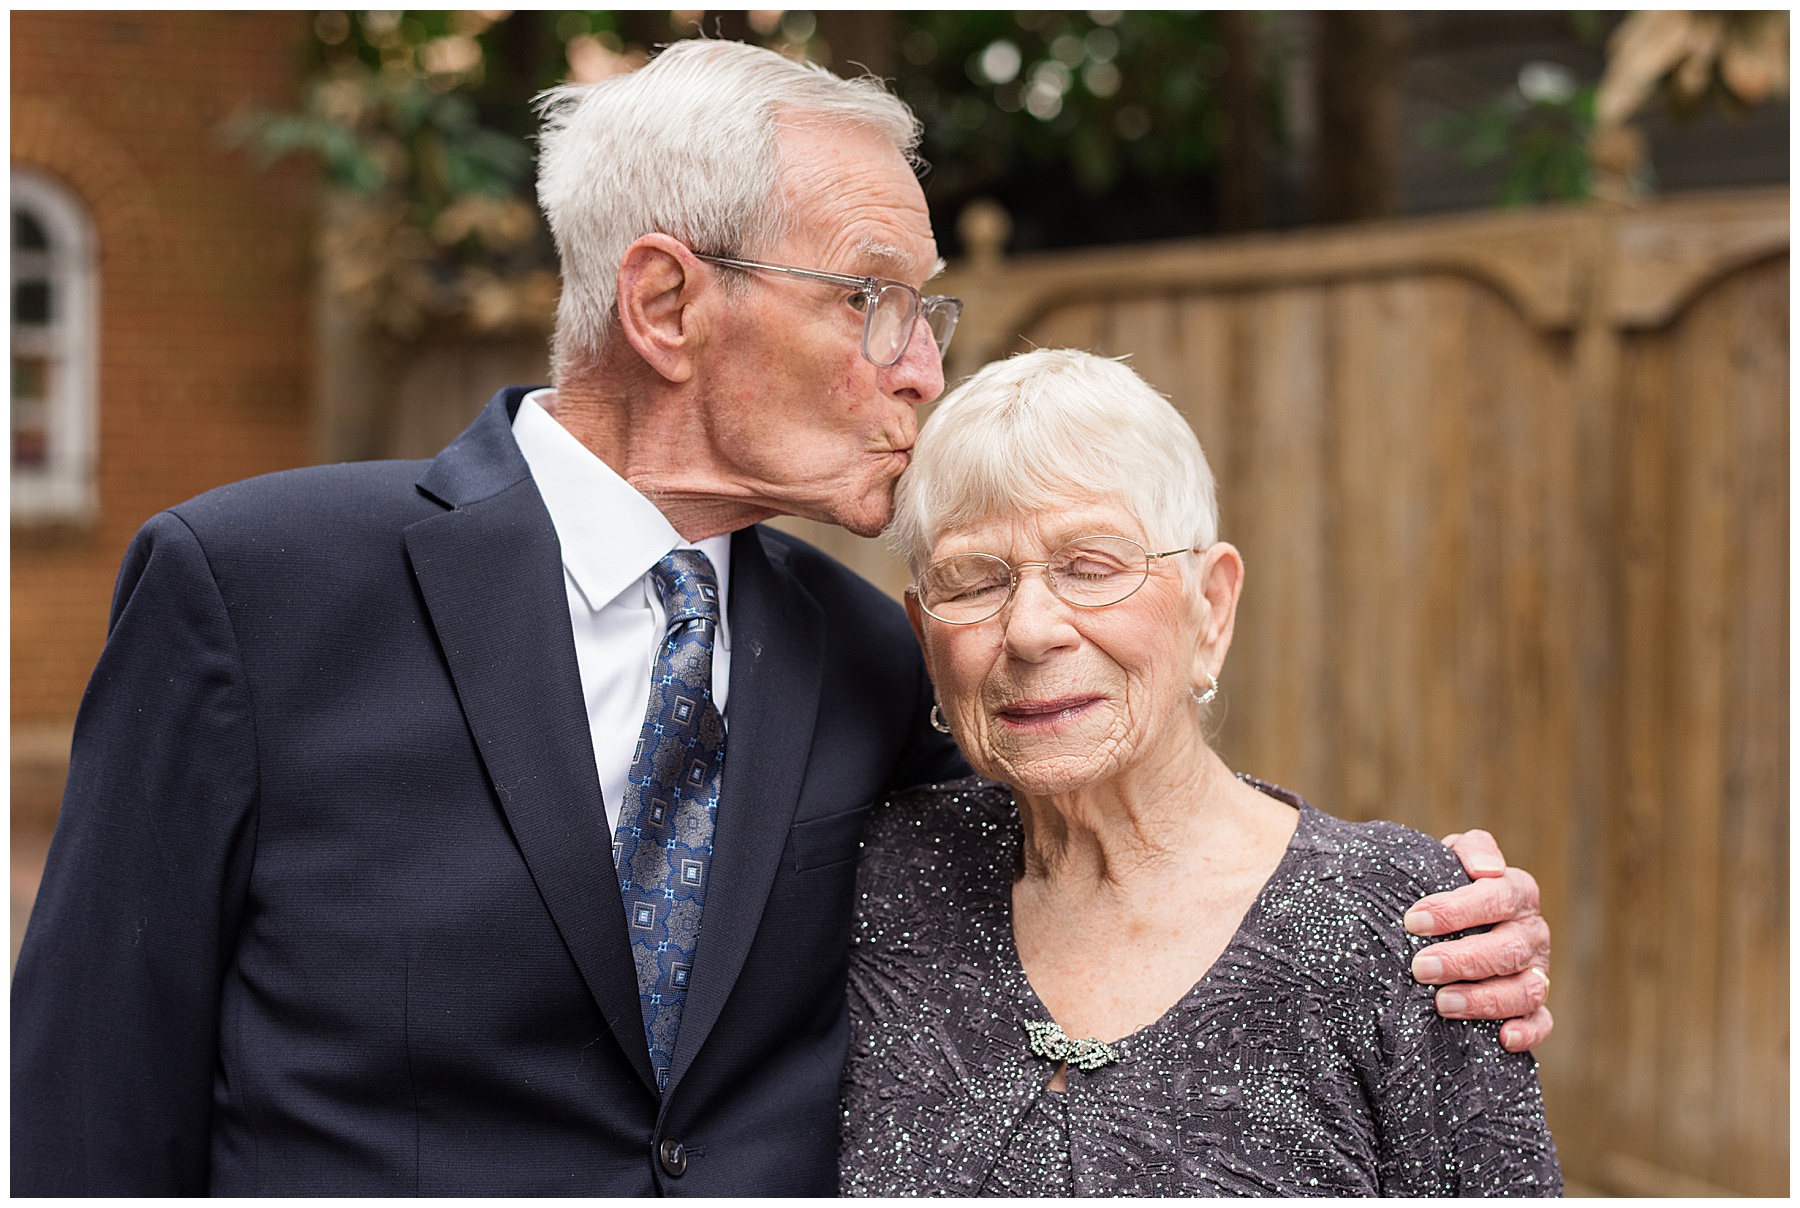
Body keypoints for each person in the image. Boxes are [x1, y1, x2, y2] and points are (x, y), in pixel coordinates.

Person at [12, 41, 1549, 1196]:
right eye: (870, 297)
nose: (920, 367)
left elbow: (1109, 842)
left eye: (929, 310)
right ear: (668, 304)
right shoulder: (258, 586)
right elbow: (86, 1108)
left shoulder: (872, 655)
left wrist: (1411, 912)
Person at [840, 348, 1560, 1196]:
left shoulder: (1400, 923)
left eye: (1092, 567)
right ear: (926, 635)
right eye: (974, 581)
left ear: (1210, 607)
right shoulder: (878, 876)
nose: (1031, 629)